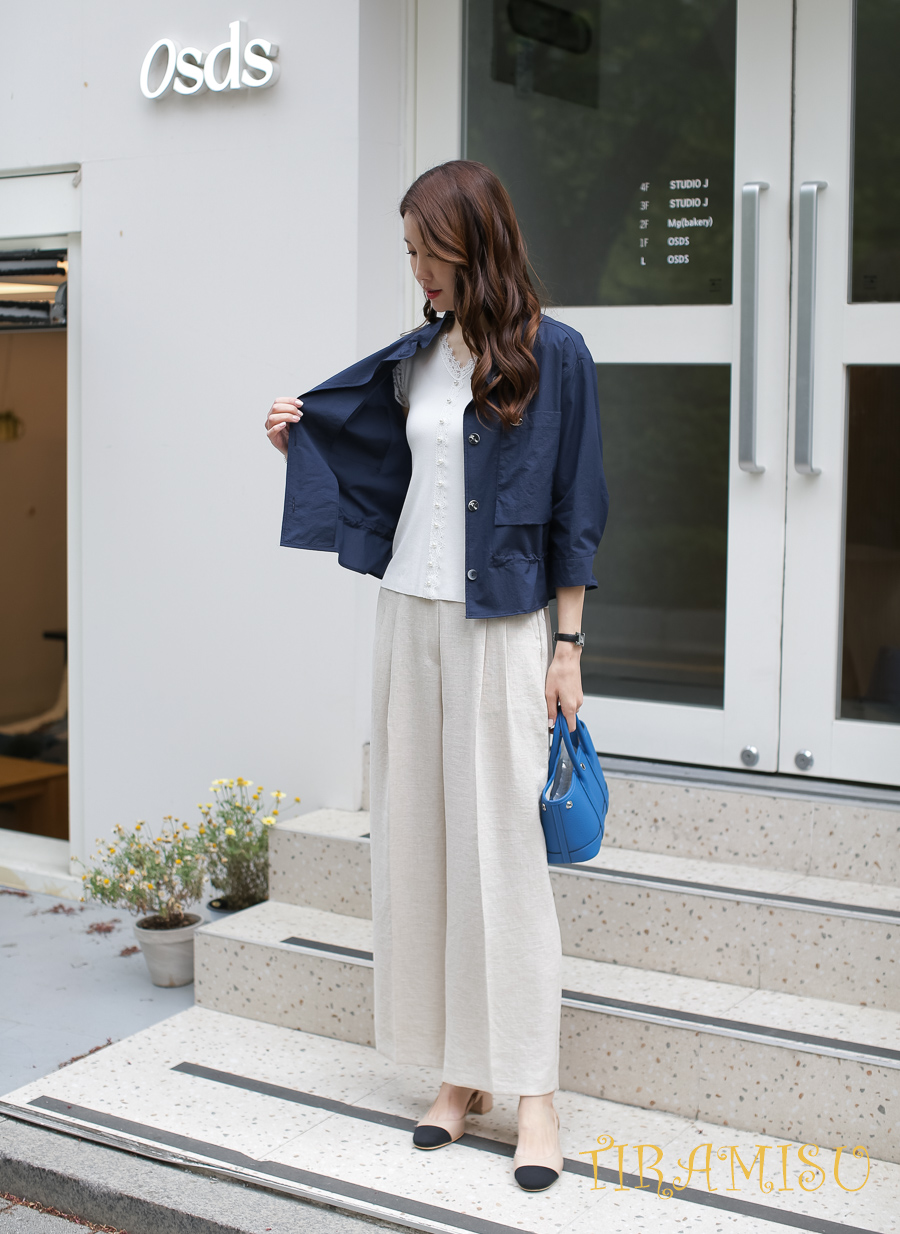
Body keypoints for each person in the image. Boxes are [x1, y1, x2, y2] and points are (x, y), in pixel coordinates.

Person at [265, 160, 608, 1192]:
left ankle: (534, 1091)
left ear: (475, 244)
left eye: (429, 250)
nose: (416, 268)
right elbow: (389, 480)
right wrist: (297, 443)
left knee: (503, 862)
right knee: (420, 849)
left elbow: (577, 507)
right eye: (410, 251)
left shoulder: (555, 354)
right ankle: (460, 1076)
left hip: (502, 628)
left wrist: (567, 647)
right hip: (407, 620)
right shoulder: (417, 358)